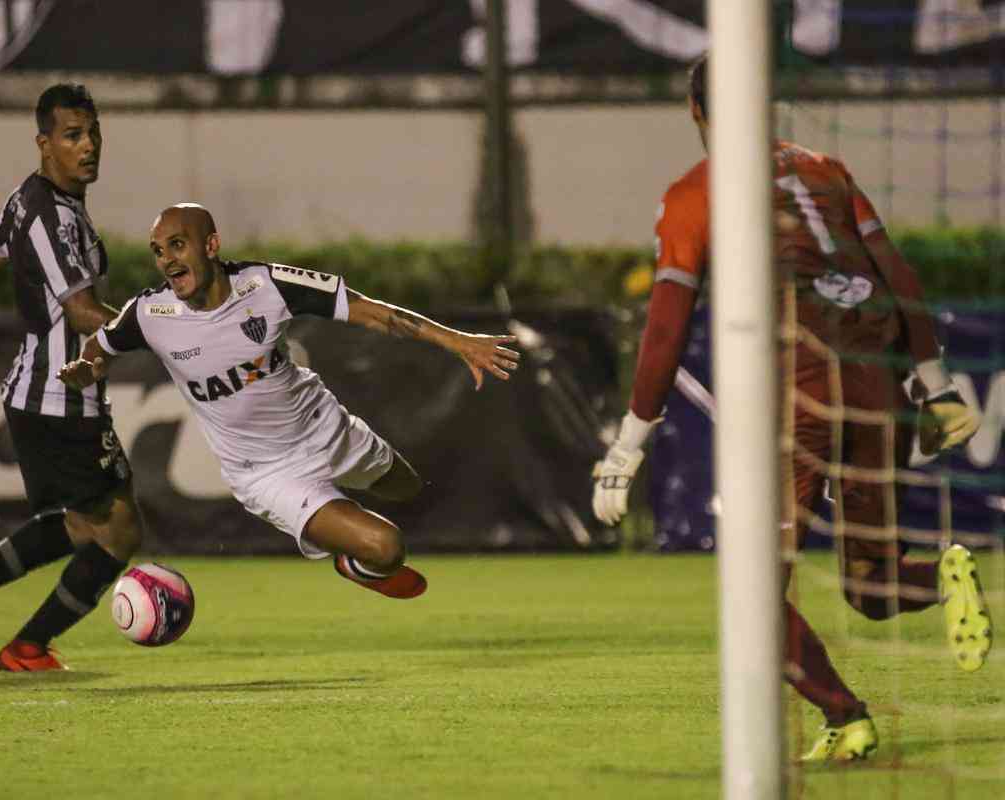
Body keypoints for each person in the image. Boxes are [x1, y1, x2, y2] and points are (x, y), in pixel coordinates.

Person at [591, 56, 990, 761]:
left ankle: (847, 717)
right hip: (878, 382)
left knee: (751, 595)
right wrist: (936, 384)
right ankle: (942, 573)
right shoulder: (827, 169)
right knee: (870, 583)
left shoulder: (696, 191)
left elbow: (666, 325)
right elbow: (895, 273)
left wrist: (627, 446)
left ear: (695, 112)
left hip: (795, 391)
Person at [58, 203, 520, 596]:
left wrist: (458, 341)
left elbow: (371, 313)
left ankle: (356, 539)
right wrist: (88, 367)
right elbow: (101, 344)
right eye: (158, 251)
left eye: (178, 244)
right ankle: (354, 563)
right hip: (265, 472)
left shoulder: (266, 285)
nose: (167, 260)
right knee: (387, 549)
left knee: (408, 488)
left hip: (324, 426)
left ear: (211, 246)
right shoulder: (149, 313)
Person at [0, 84, 142, 672]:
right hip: (59, 397)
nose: (88, 146)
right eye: (73, 136)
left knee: (79, 524)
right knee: (117, 530)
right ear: (44, 143)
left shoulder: (31, 200)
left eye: (93, 133)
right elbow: (83, 312)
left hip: (49, 393)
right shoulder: (48, 217)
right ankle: (25, 646)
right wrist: (170, 330)